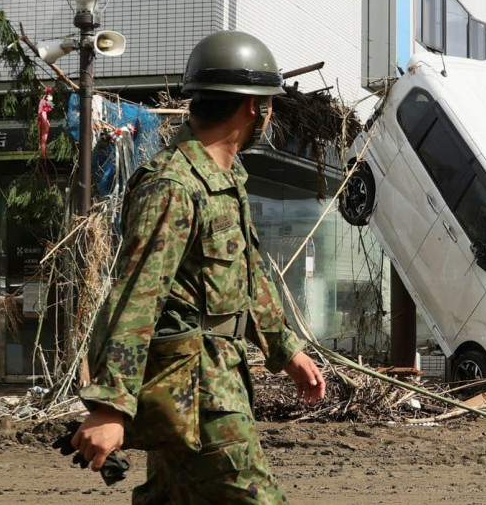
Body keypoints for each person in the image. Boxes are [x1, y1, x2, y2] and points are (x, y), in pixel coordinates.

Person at [70, 30, 326, 503]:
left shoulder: (224, 181)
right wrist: (110, 406)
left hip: (209, 381)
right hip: (198, 387)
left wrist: (285, 350)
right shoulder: (174, 185)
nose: (270, 112)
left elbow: (249, 278)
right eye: (268, 102)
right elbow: (135, 297)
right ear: (254, 107)